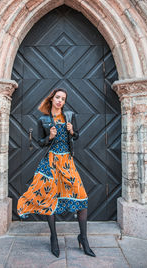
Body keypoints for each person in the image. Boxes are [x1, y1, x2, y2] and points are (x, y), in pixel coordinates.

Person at [17, 88, 96, 258]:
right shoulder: (43, 119)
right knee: (50, 199)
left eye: (63, 99)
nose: (60, 101)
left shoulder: (69, 116)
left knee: (82, 198)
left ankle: (83, 237)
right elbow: (40, 143)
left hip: (67, 163)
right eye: (58, 97)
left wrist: (72, 131)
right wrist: (50, 137)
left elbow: (77, 136)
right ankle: (53, 237)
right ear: (52, 99)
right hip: (51, 162)